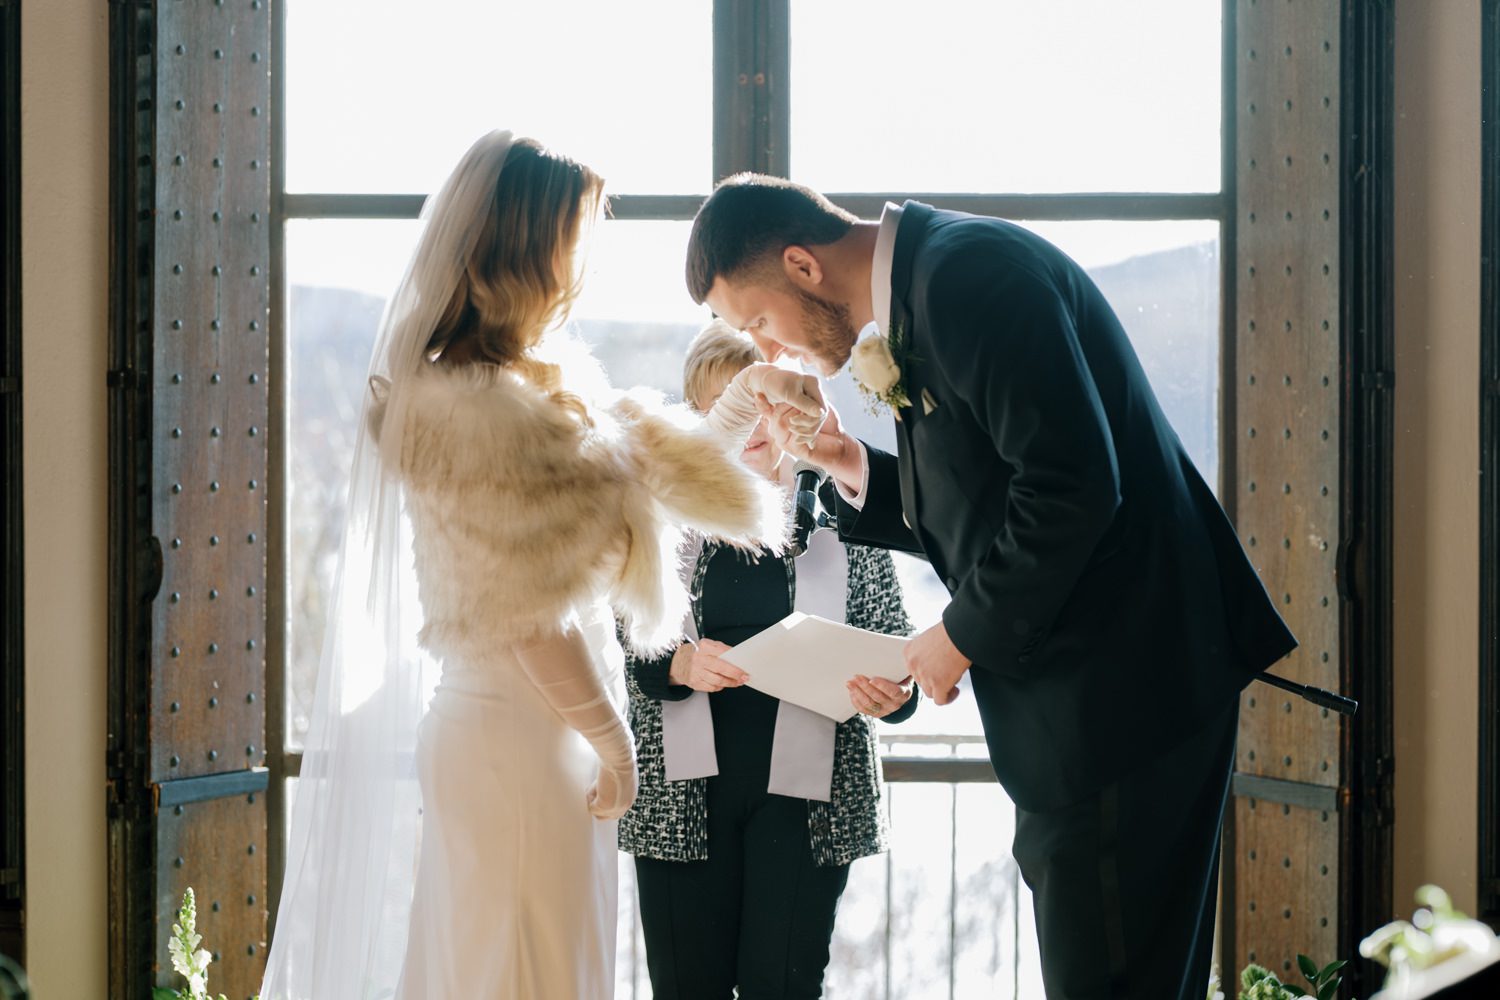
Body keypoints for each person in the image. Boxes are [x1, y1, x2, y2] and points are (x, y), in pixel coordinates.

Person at [683, 175, 1298, 1000]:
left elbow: (1072, 487)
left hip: (1120, 701)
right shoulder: (929, 285)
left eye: (759, 322)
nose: (775, 353)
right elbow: (989, 498)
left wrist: (957, 635)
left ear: (801, 265)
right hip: (1084, 711)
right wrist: (846, 462)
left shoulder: (970, 277)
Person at [260, 134, 825, 1000]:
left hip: (529, 737)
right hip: (516, 738)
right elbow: (528, 616)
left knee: (521, 967)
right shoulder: (481, 415)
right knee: (525, 973)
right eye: (574, 241)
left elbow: (664, 471)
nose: (582, 268)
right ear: (528, 251)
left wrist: (761, 391)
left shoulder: (536, 386)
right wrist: (616, 743)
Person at [617, 320, 919, 999]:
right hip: (682, 805)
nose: (749, 421)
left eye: (759, 399)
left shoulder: (845, 509)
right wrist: (678, 666)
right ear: (699, 420)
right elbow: (627, 644)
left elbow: (901, 655)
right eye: (724, 405)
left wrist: (894, 695)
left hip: (806, 810)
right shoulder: (662, 518)